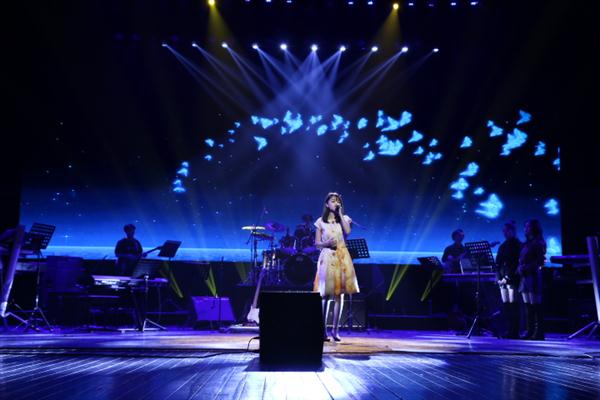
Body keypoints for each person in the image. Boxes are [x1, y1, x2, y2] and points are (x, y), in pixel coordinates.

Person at [314, 192, 359, 342]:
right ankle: (322, 330)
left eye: (337, 201)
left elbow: (348, 231)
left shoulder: (344, 219)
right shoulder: (320, 221)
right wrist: (325, 243)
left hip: (341, 255)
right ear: (327, 204)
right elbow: (317, 244)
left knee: (339, 295)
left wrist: (340, 214)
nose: (336, 203)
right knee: (325, 295)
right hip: (327, 255)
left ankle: (335, 330)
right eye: (333, 201)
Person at [517, 219, 546, 340]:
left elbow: (540, 261)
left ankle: (538, 332)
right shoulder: (526, 243)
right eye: (525, 226)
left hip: (533, 275)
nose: (526, 229)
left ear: (534, 228)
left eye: (528, 226)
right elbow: (521, 259)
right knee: (528, 306)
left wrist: (526, 267)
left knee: (535, 305)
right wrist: (520, 267)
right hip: (525, 276)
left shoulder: (539, 242)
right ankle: (530, 331)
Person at [495, 221, 522, 339]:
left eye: (506, 231)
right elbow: (498, 262)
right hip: (502, 278)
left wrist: (507, 277)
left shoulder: (518, 245)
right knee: (506, 305)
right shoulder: (503, 246)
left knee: (513, 304)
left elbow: (516, 263)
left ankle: (514, 331)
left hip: (512, 278)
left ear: (512, 231)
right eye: (503, 231)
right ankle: (508, 330)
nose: (504, 233)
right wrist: (499, 277)